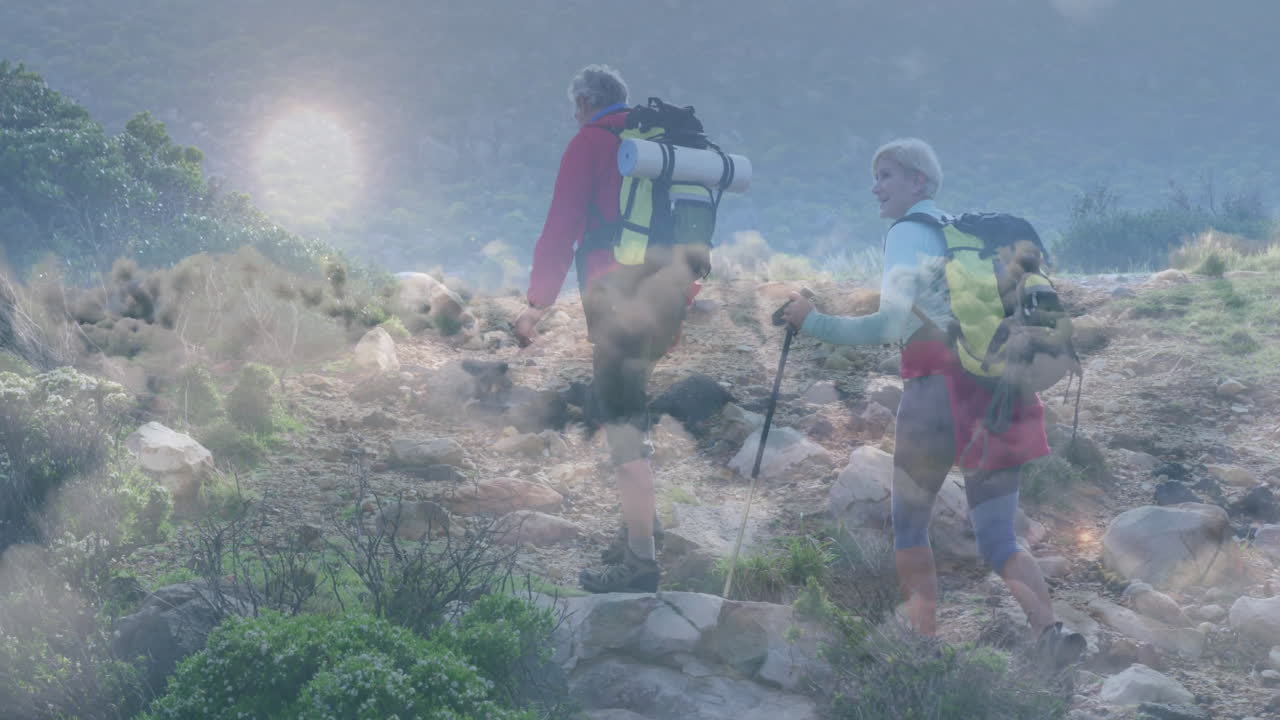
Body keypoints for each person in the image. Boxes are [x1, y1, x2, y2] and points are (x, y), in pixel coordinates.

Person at [781, 138, 1083, 668]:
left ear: (918, 182)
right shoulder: (968, 236)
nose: (875, 187)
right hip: (999, 392)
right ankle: (1051, 636)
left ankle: (921, 646)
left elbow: (889, 325)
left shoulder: (908, 233)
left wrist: (812, 322)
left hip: (934, 396)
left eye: (887, 175)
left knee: (911, 524)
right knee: (997, 537)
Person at [514, 64, 697, 593]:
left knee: (622, 427)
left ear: (587, 102)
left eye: (576, 107)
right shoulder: (661, 150)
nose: (575, 117)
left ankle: (640, 565)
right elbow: (689, 234)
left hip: (617, 308)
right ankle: (643, 530)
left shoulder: (590, 143)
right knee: (630, 413)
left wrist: (535, 306)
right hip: (664, 305)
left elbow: (560, 229)